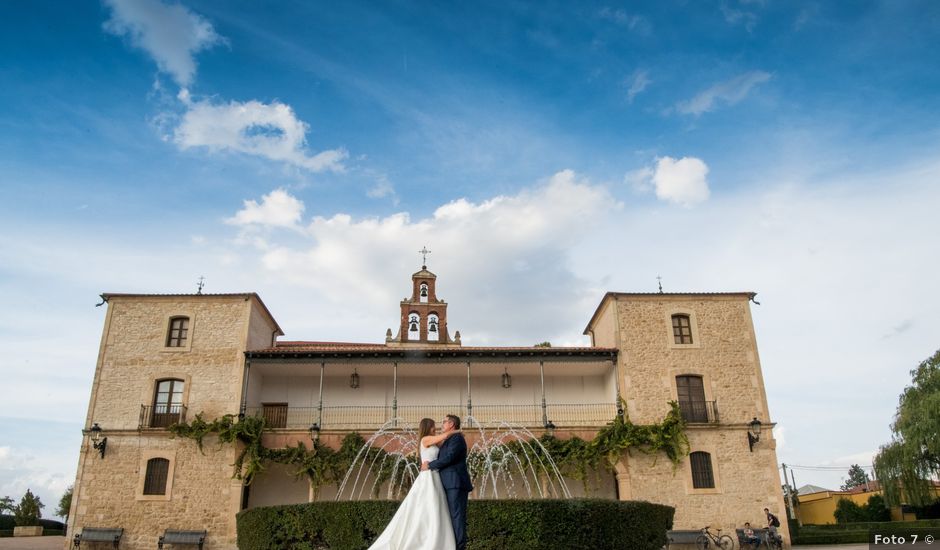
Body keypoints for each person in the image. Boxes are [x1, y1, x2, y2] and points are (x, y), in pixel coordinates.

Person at [368, 418, 460, 550]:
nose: (436, 428)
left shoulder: (434, 442)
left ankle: (436, 539)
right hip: (428, 477)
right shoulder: (425, 440)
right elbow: (445, 436)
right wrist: (457, 431)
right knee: (428, 506)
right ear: (428, 427)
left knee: (436, 507)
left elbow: (445, 443)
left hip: (435, 476)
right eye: (434, 426)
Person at [423, 414, 473, 550]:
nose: (441, 424)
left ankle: (459, 547)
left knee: (457, 517)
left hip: (454, 483)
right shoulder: (449, 438)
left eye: (444, 422)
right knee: (449, 517)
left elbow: (450, 457)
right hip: (446, 483)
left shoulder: (456, 438)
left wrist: (430, 465)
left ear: (451, 424)